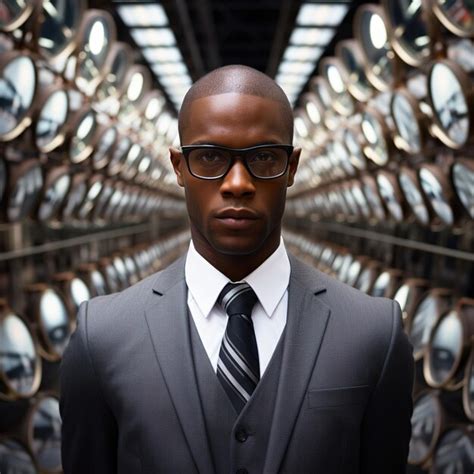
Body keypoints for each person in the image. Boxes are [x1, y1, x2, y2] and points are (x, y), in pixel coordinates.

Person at [60, 65, 414, 474]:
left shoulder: (374, 333)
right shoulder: (102, 335)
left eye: (264, 157)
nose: (237, 183)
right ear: (178, 166)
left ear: (292, 166)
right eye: (210, 157)